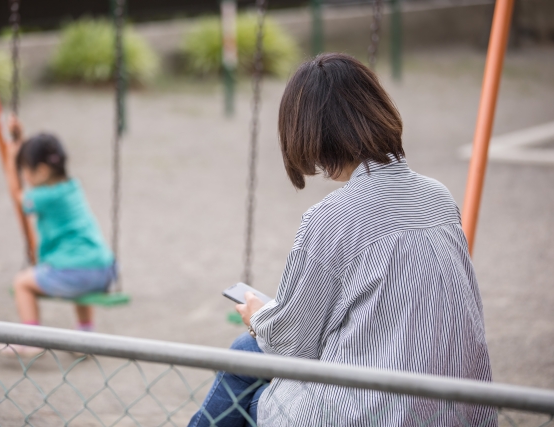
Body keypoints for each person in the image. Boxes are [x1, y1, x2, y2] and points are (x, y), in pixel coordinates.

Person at [189, 53, 496, 427]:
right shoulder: (439, 198)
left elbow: (292, 346)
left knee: (245, 353)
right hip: (458, 409)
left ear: (309, 133)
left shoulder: (332, 216)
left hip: (374, 414)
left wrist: (259, 317)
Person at [3, 117, 116, 355]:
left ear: (42, 171)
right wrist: (20, 142)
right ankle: (85, 337)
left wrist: (11, 162)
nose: (23, 174)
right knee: (79, 280)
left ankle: (31, 338)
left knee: (22, 283)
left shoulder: (44, 197)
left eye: (25, 169)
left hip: (75, 273)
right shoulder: (72, 186)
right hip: (104, 270)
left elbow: (18, 197)